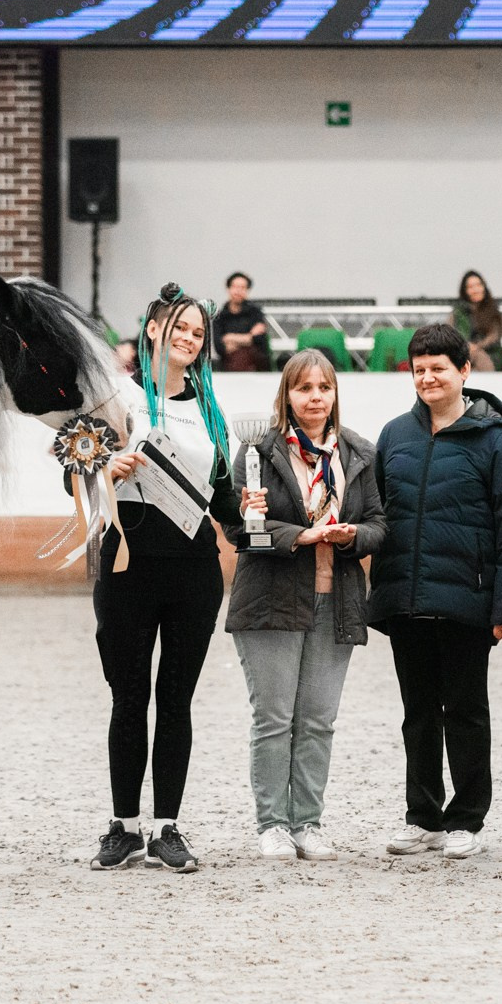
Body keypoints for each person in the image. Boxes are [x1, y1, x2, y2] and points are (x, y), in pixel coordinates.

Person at [89, 283, 243, 874]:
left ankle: (166, 828)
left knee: (176, 700)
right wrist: (107, 467)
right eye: (180, 327)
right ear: (153, 329)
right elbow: (76, 470)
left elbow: (223, 500)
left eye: (199, 332)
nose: (189, 338)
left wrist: (250, 514)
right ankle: (124, 826)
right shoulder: (116, 398)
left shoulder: (210, 411)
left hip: (193, 571)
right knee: (128, 697)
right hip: (127, 563)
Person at [369, 323, 502, 861]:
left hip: (467, 602)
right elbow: (378, 513)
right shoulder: (394, 435)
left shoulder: (495, 441)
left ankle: (466, 819)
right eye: (419, 369)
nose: (428, 378)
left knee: (465, 713)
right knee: (417, 714)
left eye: (438, 368)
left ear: (464, 370)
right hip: (406, 601)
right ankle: (423, 818)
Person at [228, 351, 388, 861]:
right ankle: (273, 824)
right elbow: (238, 529)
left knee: (318, 721)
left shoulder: (358, 452)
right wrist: (300, 535)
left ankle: (307, 823)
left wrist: (352, 535)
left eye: (324, 387)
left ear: (334, 393)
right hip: (270, 600)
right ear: (287, 395)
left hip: (335, 601)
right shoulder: (257, 450)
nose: (315, 397)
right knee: (274, 718)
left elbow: (380, 523)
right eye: (304, 388)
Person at [211, 271, 270, 372]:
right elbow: (220, 348)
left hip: (256, 368)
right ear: (228, 288)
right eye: (235, 286)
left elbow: (260, 341)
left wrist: (229, 337)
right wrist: (249, 337)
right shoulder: (220, 316)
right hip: (228, 368)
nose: (238, 291)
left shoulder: (255, 313)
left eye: (243, 287)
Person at [449, 270, 502, 372]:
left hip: (490, 353)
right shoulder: (458, 312)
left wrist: (477, 346)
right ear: (464, 291)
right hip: (463, 352)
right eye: (470, 287)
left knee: (478, 357)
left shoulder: (493, 310)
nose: (475, 290)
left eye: (478, 285)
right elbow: (450, 333)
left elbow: (494, 336)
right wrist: (466, 346)